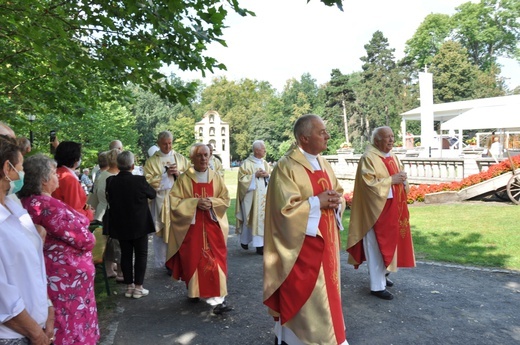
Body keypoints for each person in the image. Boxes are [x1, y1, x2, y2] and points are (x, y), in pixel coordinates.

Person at [263, 115, 348, 345]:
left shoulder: (324, 163)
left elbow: (337, 192)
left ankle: (328, 336)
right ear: (304, 138)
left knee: (328, 294)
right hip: (301, 248)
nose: (327, 136)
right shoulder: (285, 167)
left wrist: (337, 201)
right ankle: (295, 339)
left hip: (327, 242)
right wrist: (316, 203)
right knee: (306, 297)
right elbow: (283, 212)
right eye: (322, 132)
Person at [19, 154, 100, 344]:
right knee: (69, 325)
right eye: (54, 174)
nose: (57, 178)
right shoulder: (47, 206)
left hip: (57, 277)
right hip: (66, 282)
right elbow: (84, 239)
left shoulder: (28, 202)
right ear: (45, 179)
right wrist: (91, 235)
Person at [346, 126, 415, 301]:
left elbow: (399, 177)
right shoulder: (368, 158)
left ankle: (383, 275)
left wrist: (402, 178)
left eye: (392, 136)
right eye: (387, 137)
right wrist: (392, 180)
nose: (391, 140)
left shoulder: (392, 156)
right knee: (376, 248)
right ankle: (376, 286)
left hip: (394, 210)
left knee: (391, 244)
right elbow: (368, 185)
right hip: (375, 213)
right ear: (377, 141)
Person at [164, 143, 232, 314]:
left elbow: (225, 199)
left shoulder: (215, 177)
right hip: (192, 228)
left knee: (216, 260)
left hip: (212, 227)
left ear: (210, 156)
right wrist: (194, 203)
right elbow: (174, 202)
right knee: (193, 258)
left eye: (206, 155)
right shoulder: (185, 179)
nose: (203, 158)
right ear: (192, 158)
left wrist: (212, 202)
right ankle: (193, 291)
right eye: (199, 155)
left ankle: (219, 298)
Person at [0, 135, 55, 345]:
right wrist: (37, 335)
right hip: (13, 336)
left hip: (34, 326)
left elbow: (30, 267)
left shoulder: (13, 205)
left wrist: (47, 307)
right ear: (7, 168)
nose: (22, 173)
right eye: (20, 167)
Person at [106, 151, 156, 299]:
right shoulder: (140, 181)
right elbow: (152, 194)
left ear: (118, 165)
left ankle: (129, 287)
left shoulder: (111, 181)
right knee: (141, 255)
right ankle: (139, 287)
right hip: (139, 224)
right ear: (133, 166)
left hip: (121, 224)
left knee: (126, 255)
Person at [144, 131, 190, 270]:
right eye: (164, 144)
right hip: (160, 201)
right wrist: (165, 175)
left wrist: (179, 174)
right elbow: (147, 182)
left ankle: (179, 260)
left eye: (170, 143)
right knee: (162, 231)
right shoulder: (152, 161)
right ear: (158, 144)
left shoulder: (181, 159)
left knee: (179, 230)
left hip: (179, 200)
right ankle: (166, 263)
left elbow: (190, 178)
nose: (168, 146)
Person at [89, 149, 122, 279]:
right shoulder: (116, 177)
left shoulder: (101, 175)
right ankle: (120, 271)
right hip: (114, 213)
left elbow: (94, 194)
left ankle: (109, 269)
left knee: (107, 245)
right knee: (118, 244)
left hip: (101, 213)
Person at [235, 140, 271, 255]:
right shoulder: (247, 164)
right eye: (263, 149)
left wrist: (267, 176)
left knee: (262, 220)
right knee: (250, 219)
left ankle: (260, 246)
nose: (265, 150)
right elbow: (241, 180)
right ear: (256, 150)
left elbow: (272, 177)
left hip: (264, 197)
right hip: (251, 198)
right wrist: (254, 175)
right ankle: (245, 241)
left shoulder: (265, 163)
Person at [52, 141, 94, 220]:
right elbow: (74, 211)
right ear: (75, 158)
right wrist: (89, 214)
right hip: (67, 222)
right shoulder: (69, 179)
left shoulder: (55, 173)